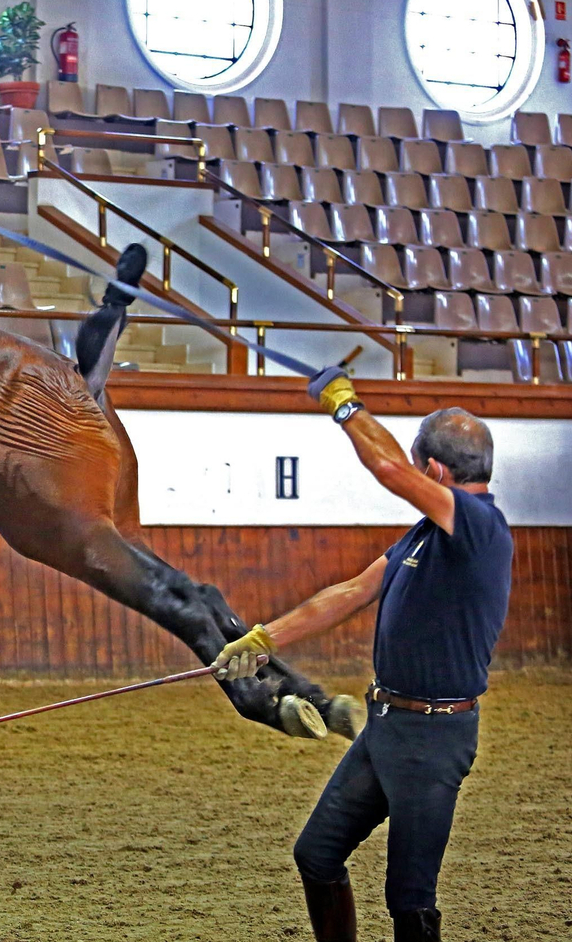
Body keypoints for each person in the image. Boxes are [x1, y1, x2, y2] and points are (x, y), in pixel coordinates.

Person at [213, 368, 512, 942]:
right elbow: (351, 591)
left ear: (435, 472)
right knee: (317, 854)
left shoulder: (478, 525)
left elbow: (387, 469)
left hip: (433, 740)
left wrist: (346, 406)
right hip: (387, 727)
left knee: (409, 898)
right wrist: (264, 639)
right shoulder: (424, 534)